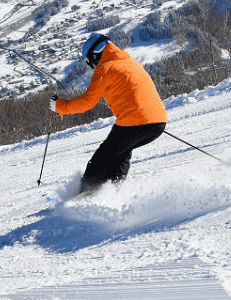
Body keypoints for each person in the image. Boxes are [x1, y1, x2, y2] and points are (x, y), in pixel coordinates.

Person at [50, 33, 167, 193]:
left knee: (101, 159)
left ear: (95, 55)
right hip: (158, 123)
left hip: (136, 123)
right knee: (120, 153)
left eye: (90, 62)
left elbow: (87, 102)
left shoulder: (106, 67)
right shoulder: (130, 62)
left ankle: (85, 196)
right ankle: (112, 193)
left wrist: (60, 106)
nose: (92, 67)